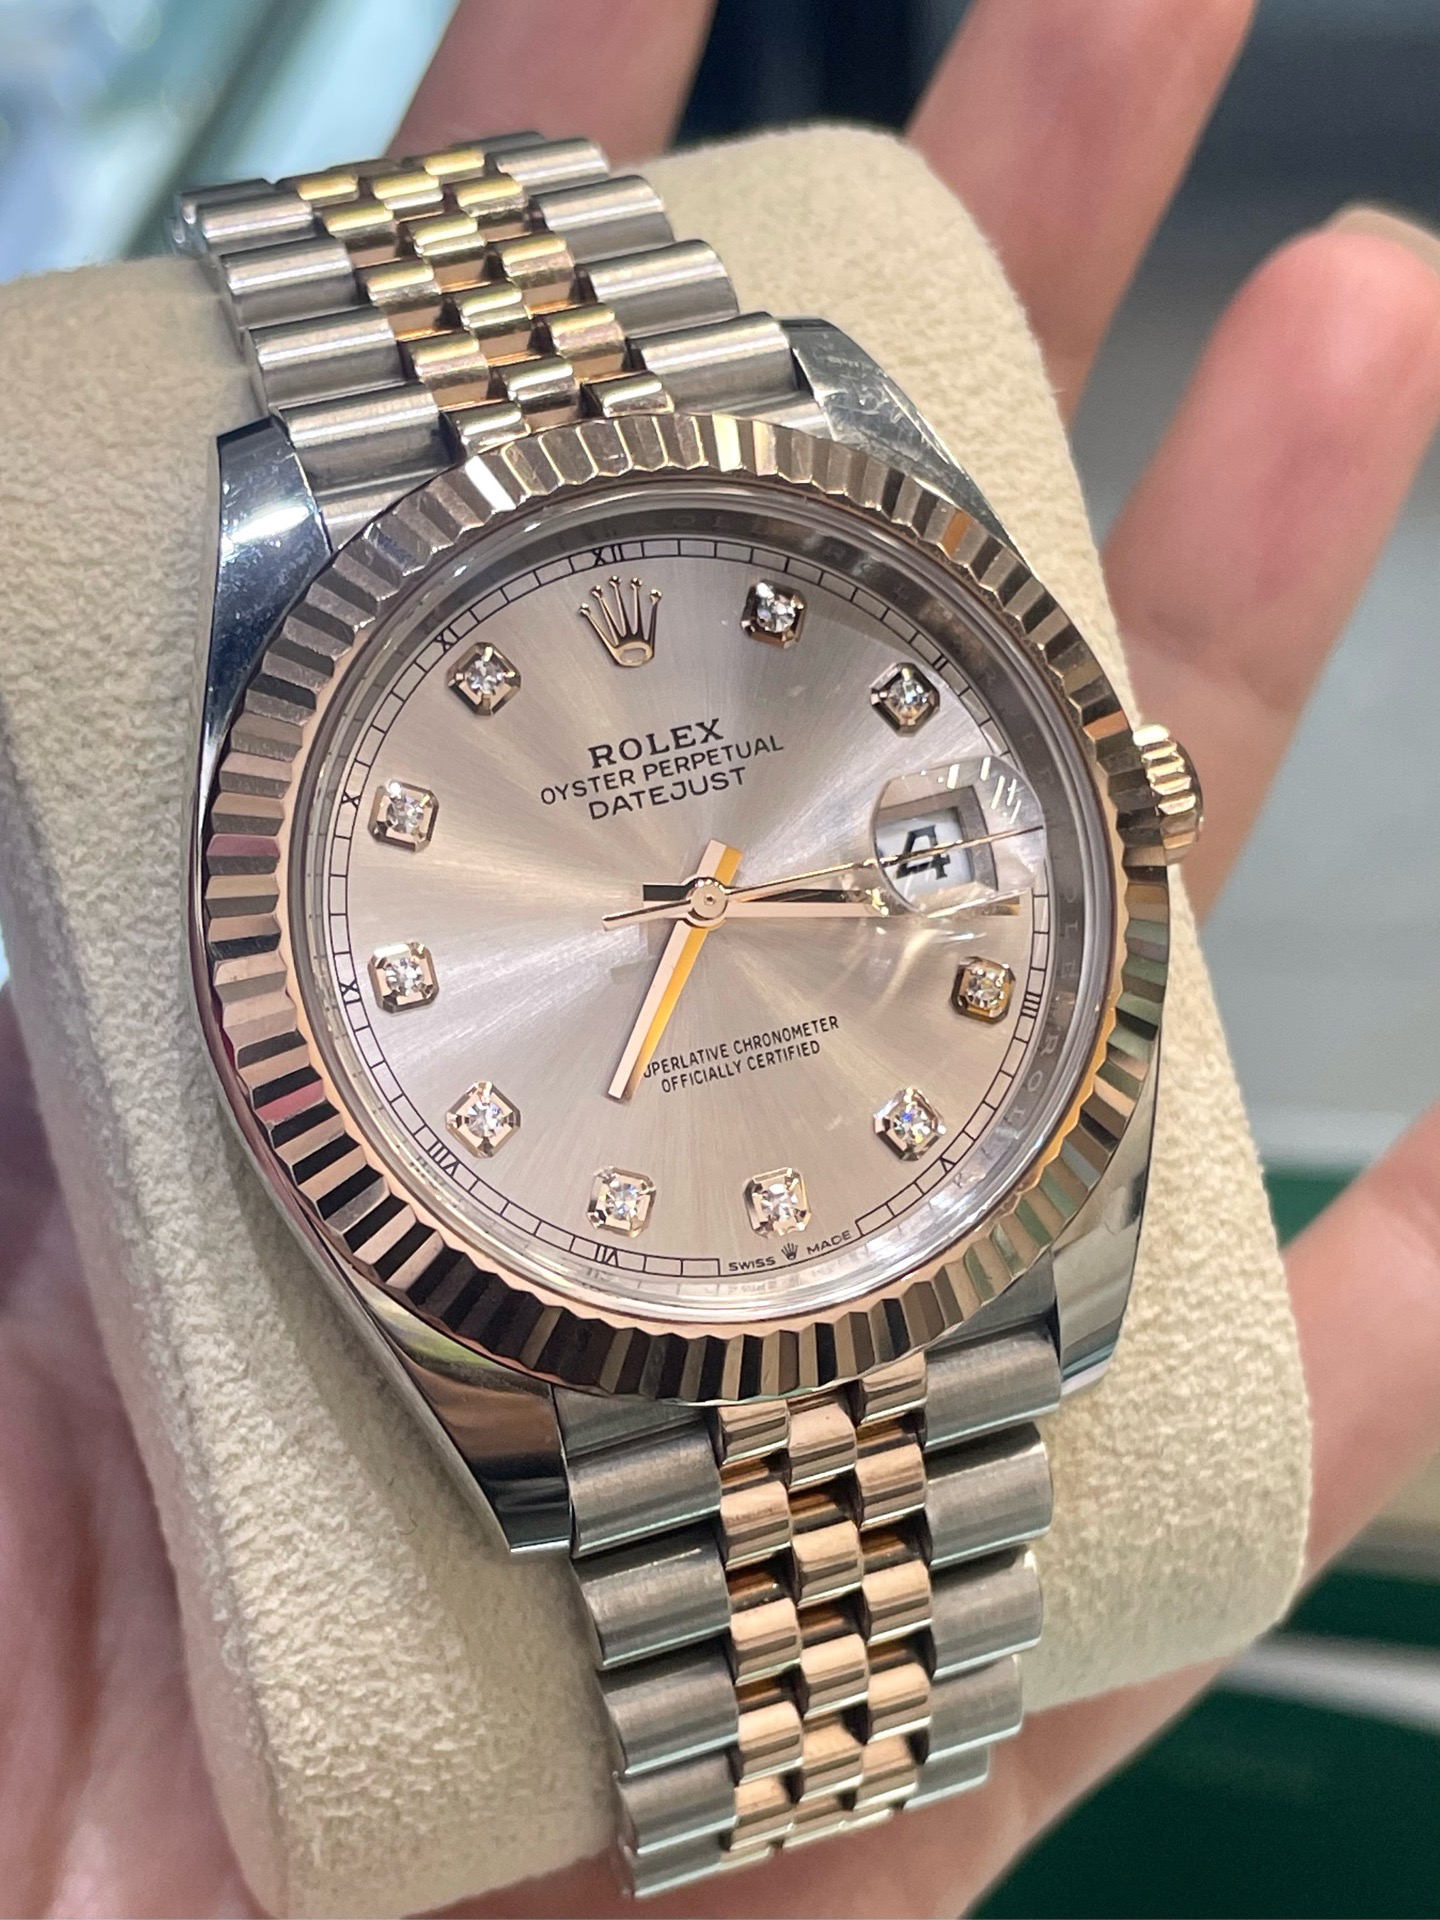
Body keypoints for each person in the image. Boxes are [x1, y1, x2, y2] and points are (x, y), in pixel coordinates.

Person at [4, 1, 1440, 1913]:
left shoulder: (831, 449)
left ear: (1120, 789)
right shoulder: (288, 605)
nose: (696, 900)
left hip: (909, 1189)